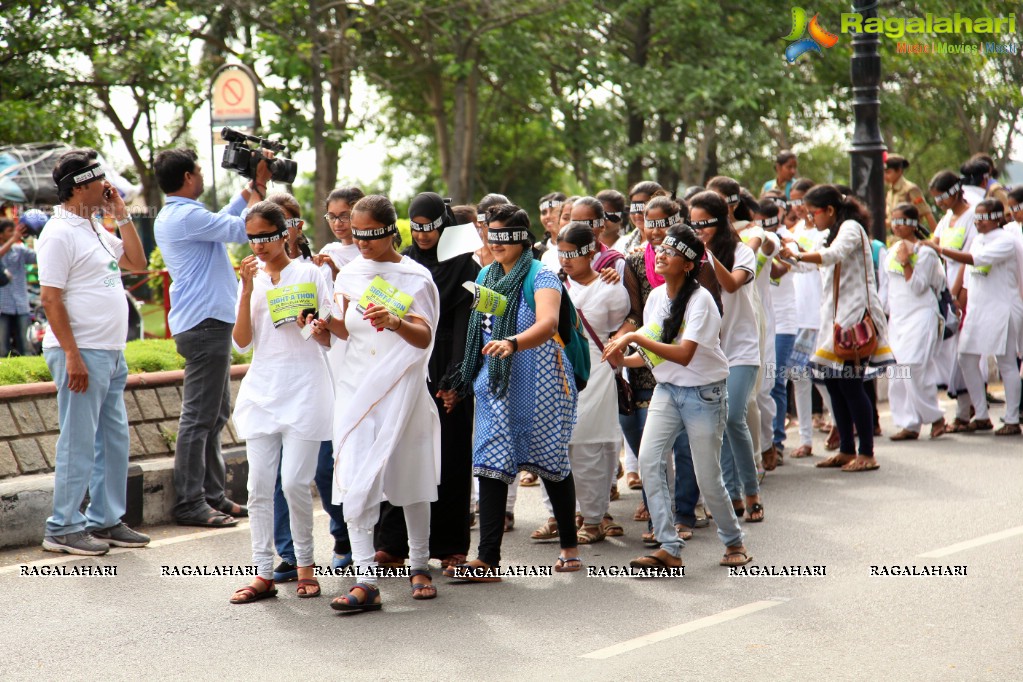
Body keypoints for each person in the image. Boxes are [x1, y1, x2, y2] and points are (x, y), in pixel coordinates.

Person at [314, 194, 441, 613]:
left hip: (401, 388)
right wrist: (321, 326)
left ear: (391, 232)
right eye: (358, 233)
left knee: (411, 476)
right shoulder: (349, 274)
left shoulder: (415, 277)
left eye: (372, 234)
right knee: (355, 475)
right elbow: (347, 331)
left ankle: (420, 563)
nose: (363, 241)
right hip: (356, 389)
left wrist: (397, 322)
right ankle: (366, 579)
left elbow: (424, 338)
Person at [602, 225, 752, 571]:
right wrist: (623, 359)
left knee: (707, 476)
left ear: (688, 264)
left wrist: (633, 337)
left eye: (671, 252)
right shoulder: (656, 298)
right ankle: (669, 546)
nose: (662, 255)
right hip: (667, 391)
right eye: (662, 249)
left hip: (705, 394)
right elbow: (655, 355)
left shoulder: (702, 302)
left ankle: (734, 541)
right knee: (650, 463)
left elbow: (683, 354)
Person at [446, 203, 580, 580]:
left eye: (505, 236)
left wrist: (514, 342)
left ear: (522, 239)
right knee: (490, 463)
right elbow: (476, 333)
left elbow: (549, 321)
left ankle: (569, 546)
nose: (497, 242)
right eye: (492, 234)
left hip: (542, 386)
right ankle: (487, 559)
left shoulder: (542, 276)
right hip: (496, 385)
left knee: (552, 463)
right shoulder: (486, 275)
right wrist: (463, 381)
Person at [37, 148, 149, 555]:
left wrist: (122, 215)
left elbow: (137, 262)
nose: (108, 185)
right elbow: (51, 300)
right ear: (79, 187)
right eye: (100, 180)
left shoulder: (96, 228)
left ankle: (104, 519)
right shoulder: (59, 233)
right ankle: (62, 527)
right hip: (80, 351)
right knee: (79, 440)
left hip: (110, 351)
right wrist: (71, 355)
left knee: (113, 439)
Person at [154, 148, 272, 528]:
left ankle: (212, 495)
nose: (203, 176)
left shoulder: (180, 214)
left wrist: (248, 190)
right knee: (198, 417)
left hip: (206, 323)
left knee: (215, 413)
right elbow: (244, 230)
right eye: (199, 171)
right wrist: (261, 189)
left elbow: (223, 220)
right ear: (188, 177)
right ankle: (191, 502)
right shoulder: (188, 216)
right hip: (204, 325)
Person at [227, 201, 334, 604]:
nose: (258, 245)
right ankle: (262, 572)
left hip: (305, 386)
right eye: (251, 238)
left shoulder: (310, 273)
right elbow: (241, 342)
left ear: (284, 233)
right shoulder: (249, 278)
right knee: (257, 486)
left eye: (265, 236)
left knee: (293, 483)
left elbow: (328, 338)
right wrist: (248, 290)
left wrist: (314, 326)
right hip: (263, 388)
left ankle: (305, 565)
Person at [374, 192, 479, 569]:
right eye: (415, 228)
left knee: (449, 457)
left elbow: (468, 328)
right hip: (407, 370)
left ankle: (450, 545)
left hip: (448, 373)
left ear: (444, 225)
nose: (421, 236)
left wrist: (457, 380)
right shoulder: (404, 267)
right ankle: (392, 544)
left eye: (429, 228)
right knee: (399, 453)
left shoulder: (466, 267)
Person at [261, 191, 354, 583]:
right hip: (275, 387)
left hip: (324, 377)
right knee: (279, 477)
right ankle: (288, 554)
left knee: (323, 468)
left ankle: (346, 537)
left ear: (294, 227)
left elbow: (337, 327)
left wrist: (317, 325)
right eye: (260, 233)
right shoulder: (259, 273)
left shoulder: (318, 268)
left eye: (279, 225)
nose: (266, 239)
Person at [779, 185, 894, 473]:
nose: (810, 219)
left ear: (829, 210)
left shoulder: (851, 228)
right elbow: (817, 262)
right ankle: (846, 450)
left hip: (855, 318)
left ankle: (866, 453)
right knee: (833, 381)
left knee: (851, 384)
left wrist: (800, 255)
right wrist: (791, 255)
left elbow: (833, 255)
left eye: (812, 213)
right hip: (835, 320)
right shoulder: (831, 232)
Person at [689, 190, 765, 522]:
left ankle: (751, 491)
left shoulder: (741, 251)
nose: (698, 230)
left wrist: (707, 255)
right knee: (718, 423)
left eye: (703, 224)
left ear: (721, 221)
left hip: (743, 347)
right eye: (693, 225)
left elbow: (732, 285)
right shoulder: (693, 256)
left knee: (734, 417)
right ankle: (731, 493)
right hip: (710, 351)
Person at [555, 222, 630, 543]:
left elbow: (621, 327)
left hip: (597, 372)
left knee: (590, 446)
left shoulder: (611, 289)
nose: (565, 260)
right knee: (560, 449)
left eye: (572, 254)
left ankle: (594, 519)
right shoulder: (556, 286)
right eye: (561, 254)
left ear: (591, 252)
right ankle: (565, 515)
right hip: (559, 373)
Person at [928, 199, 1023, 435]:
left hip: (1003, 309)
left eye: (983, 218)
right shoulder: (978, 240)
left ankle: (1012, 420)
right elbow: (970, 274)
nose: (978, 222)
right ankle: (981, 415)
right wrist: (957, 297)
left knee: (1007, 364)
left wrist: (939, 249)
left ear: (998, 218)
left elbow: (974, 260)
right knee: (966, 357)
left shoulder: (1006, 242)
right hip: (978, 310)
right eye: (976, 218)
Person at [885, 204, 947, 441]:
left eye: (901, 220)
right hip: (898, 318)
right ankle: (909, 424)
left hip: (921, 315)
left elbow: (919, 286)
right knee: (896, 373)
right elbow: (887, 287)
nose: (896, 225)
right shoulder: (891, 252)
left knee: (913, 368)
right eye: (893, 220)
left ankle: (936, 417)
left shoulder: (926, 253)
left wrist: (906, 261)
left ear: (913, 223)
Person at [927, 171, 977, 433]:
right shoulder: (946, 219)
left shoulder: (972, 217)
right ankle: (966, 408)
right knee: (952, 354)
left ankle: (966, 411)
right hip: (947, 288)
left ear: (954, 192)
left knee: (962, 353)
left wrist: (955, 295)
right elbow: (935, 247)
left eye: (940, 198)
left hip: (964, 287)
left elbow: (966, 261)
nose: (939, 204)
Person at [0, 217, 37, 357]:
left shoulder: (20, 250)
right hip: (3, 306)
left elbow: (38, 257)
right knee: (2, 348)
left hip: (21, 305)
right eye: (10, 231)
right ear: (1, 234)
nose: (13, 233)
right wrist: (13, 239)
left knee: (26, 346)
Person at [884, 154, 937, 232]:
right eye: (884, 173)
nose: (885, 176)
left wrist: (936, 238)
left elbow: (926, 213)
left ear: (899, 171)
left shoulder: (910, 189)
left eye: (888, 172)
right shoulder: (890, 193)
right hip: (894, 238)